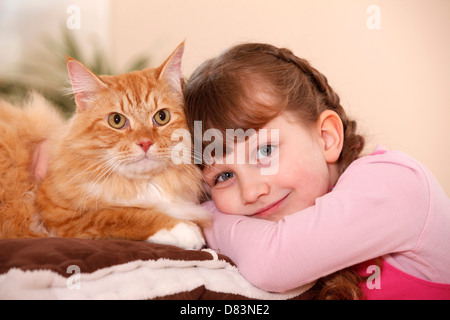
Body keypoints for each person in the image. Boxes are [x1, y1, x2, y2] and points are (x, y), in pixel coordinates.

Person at [184, 42, 450, 299]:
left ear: (326, 137)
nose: (251, 191)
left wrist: (198, 215)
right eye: (224, 176)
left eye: (265, 151)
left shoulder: (396, 183)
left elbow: (270, 263)